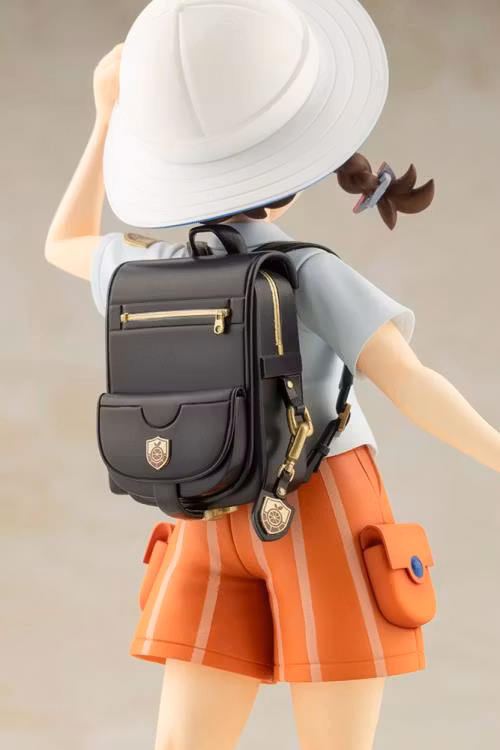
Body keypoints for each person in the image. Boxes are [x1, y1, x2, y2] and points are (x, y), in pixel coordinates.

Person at [44, 2, 500, 749]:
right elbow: (412, 385)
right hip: (316, 500)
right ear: (292, 170)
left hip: (204, 502)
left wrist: (104, 119)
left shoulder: (148, 266)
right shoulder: (304, 271)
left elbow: (63, 241)